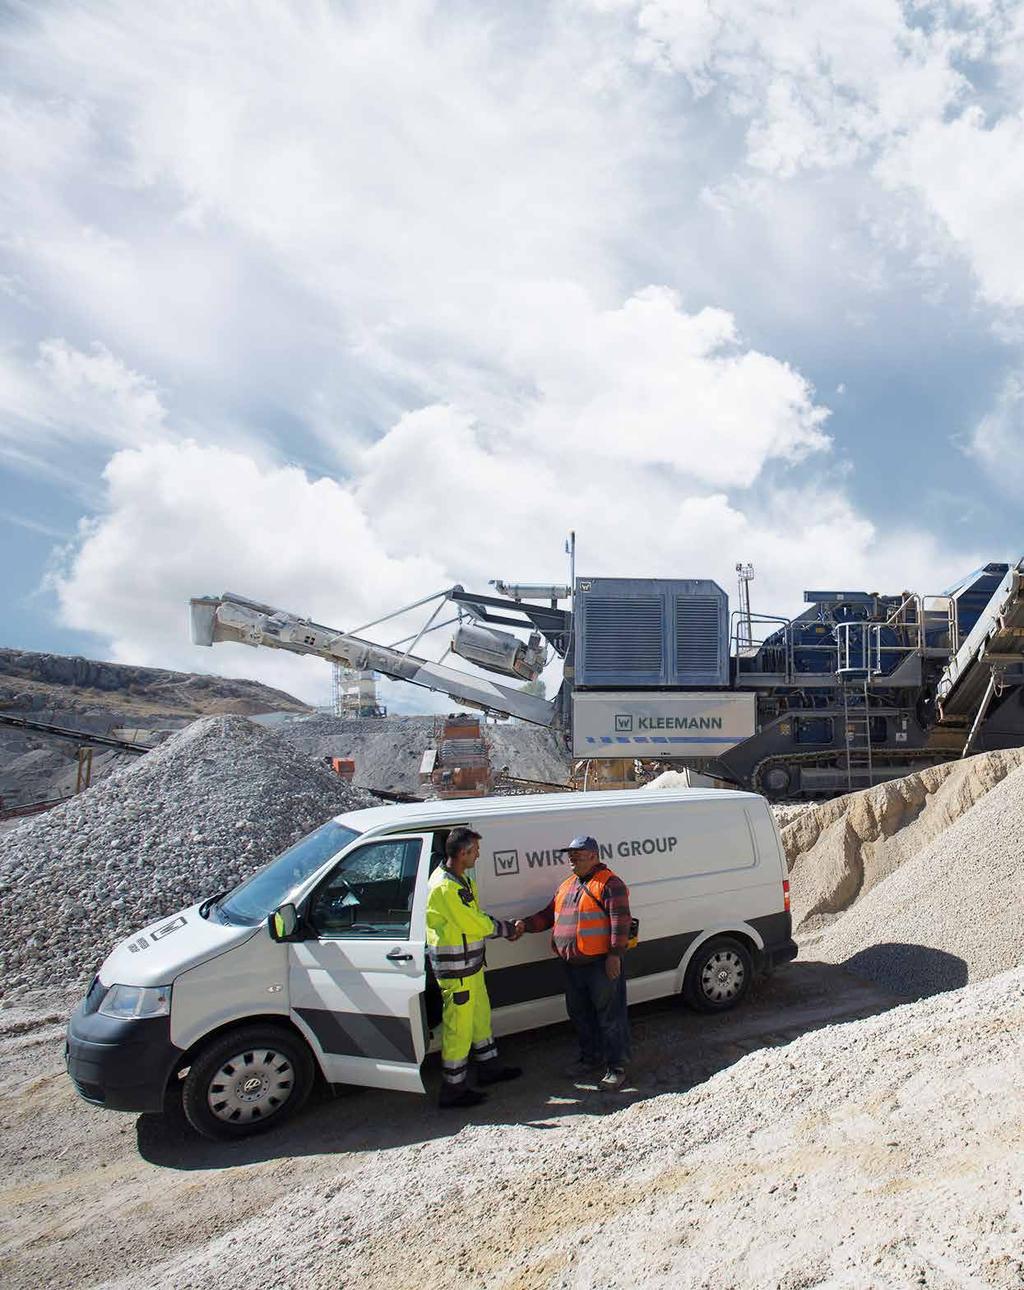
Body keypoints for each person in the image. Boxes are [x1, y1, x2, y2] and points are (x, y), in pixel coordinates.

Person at [515, 835, 632, 1091]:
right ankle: (590, 1058)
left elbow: (620, 921)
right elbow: (548, 916)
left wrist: (614, 956)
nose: (571, 859)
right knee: (580, 1015)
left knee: (610, 1017)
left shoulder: (611, 884)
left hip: (600, 965)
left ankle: (616, 1067)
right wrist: (525, 925)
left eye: (577, 855)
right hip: (573, 965)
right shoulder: (568, 885)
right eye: (570, 855)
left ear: (593, 856)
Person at [426, 826, 523, 1109]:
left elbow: (474, 915)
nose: (479, 856)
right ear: (463, 853)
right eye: (476, 852)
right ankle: (453, 1089)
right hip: (457, 972)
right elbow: (472, 922)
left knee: (480, 1019)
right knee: (459, 1029)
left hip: (470, 966)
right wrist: (506, 929)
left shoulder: (459, 880)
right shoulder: (446, 887)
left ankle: (489, 1068)